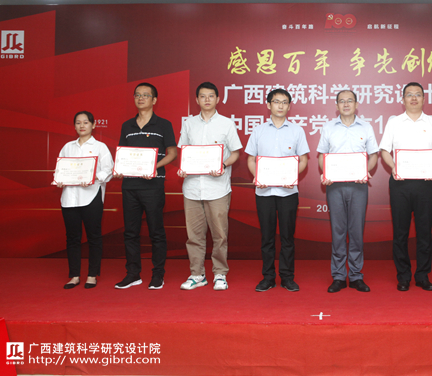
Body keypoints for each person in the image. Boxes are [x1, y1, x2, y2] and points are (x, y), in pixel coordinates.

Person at [379, 82, 432, 291]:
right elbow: (385, 151)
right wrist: (394, 167)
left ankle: (423, 275)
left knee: (424, 231)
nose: (413, 98)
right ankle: (403, 276)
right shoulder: (394, 123)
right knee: (400, 232)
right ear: (403, 99)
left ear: (424, 99)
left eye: (418, 94)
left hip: (426, 184)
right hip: (401, 183)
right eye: (409, 95)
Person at [177, 82, 242, 291]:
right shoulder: (189, 124)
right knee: (194, 235)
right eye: (203, 96)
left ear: (218, 99)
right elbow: (184, 152)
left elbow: (235, 153)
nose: (207, 99)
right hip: (192, 188)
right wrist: (184, 168)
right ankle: (197, 275)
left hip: (218, 188)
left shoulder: (226, 124)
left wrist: (222, 165)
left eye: (211, 96)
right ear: (197, 100)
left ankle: (220, 273)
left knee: (219, 234)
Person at [114, 83, 177, 290]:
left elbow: (172, 153)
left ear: (154, 100)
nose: (141, 98)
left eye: (146, 95)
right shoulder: (127, 126)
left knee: (156, 231)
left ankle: (158, 274)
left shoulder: (163, 124)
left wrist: (153, 167)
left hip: (153, 186)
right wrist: (120, 168)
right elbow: (123, 154)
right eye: (137, 95)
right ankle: (133, 274)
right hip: (130, 185)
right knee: (130, 232)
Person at [246, 88, 309, 292]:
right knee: (267, 237)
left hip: (288, 192)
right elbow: (251, 159)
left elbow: (304, 159)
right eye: (276, 101)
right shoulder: (258, 130)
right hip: (264, 192)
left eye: (284, 102)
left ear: (289, 106)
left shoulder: (297, 130)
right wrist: (257, 176)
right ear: (268, 105)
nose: (280, 105)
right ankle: (268, 277)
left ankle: (287, 277)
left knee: (287, 237)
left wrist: (293, 175)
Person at [317, 90, 379, 293]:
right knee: (338, 231)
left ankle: (356, 275)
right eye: (341, 101)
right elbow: (322, 155)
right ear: (336, 105)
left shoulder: (366, 127)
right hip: (335, 186)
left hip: (358, 185)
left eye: (349, 101)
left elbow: (373, 155)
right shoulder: (328, 127)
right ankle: (338, 276)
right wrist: (325, 172)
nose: (345, 104)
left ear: (356, 104)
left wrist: (366, 171)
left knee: (356, 231)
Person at [55, 111, 113, 289]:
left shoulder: (100, 147)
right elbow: (60, 168)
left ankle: (92, 275)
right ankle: (74, 276)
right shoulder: (67, 147)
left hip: (91, 196)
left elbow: (108, 170)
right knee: (72, 238)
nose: (82, 126)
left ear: (93, 125)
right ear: (74, 126)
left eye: (86, 122)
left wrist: (92, 177)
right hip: (69, 198)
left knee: (94, 237)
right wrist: (59, 179)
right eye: (78, 123)